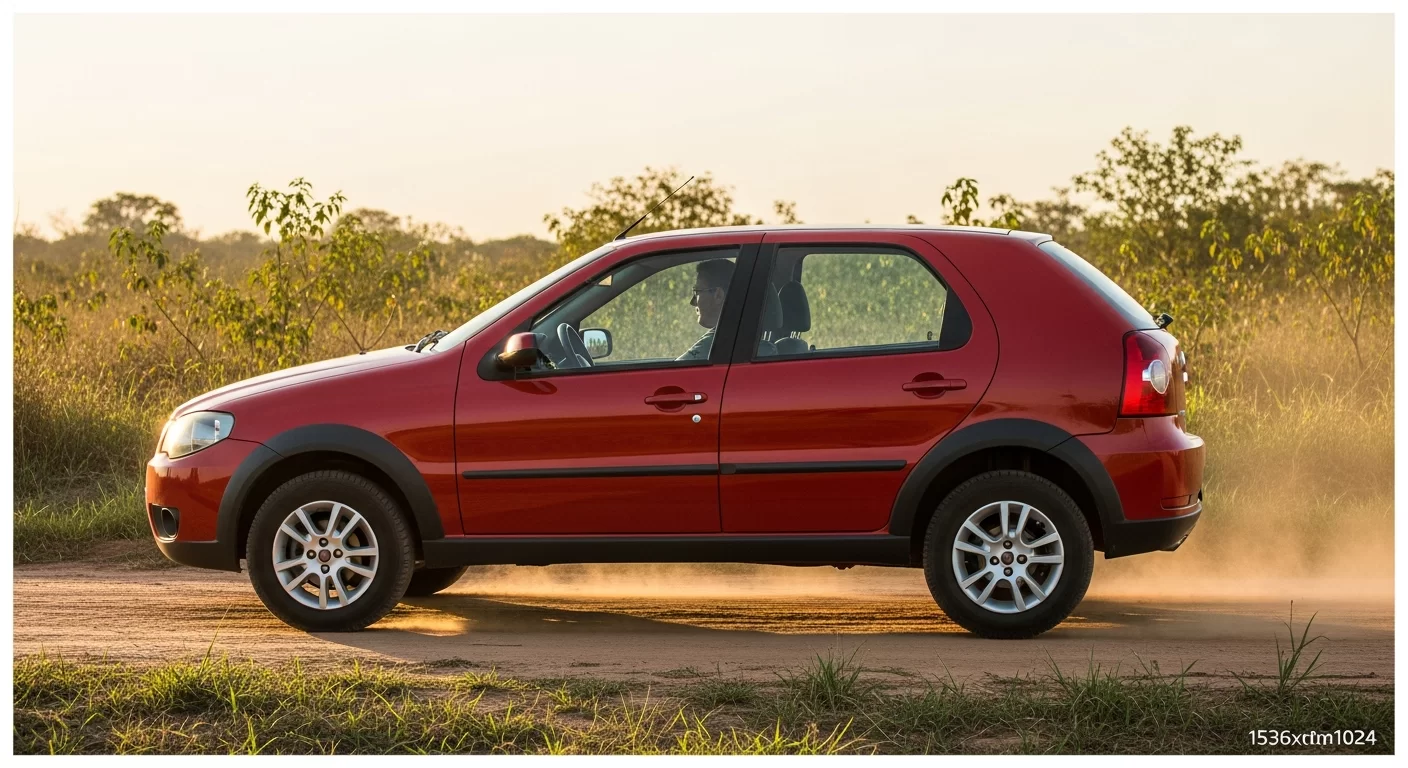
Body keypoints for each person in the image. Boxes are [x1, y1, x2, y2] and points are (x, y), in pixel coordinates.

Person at [677, 258, 734, 361]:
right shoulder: (750, 342)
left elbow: (676, 369)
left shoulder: (714, 344)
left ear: (718, 295)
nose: (693, 302)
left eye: (697, 291)